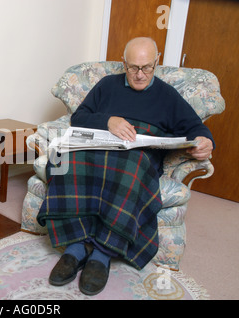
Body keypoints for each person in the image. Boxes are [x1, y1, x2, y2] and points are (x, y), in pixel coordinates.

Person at [36, 37, 214, 295]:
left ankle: (102, 253)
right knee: (63, 157)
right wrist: (108, 121)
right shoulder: (107, 85)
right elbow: (80, 116)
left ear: (157, 62)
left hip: (140, 155)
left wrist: (205, 140)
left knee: (130, 167)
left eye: (147, 67)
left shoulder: (167, 95)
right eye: (133, 68)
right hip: (102, 145)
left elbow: (195, 127)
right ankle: (75, 246)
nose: (140, 75)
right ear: (124, 63)